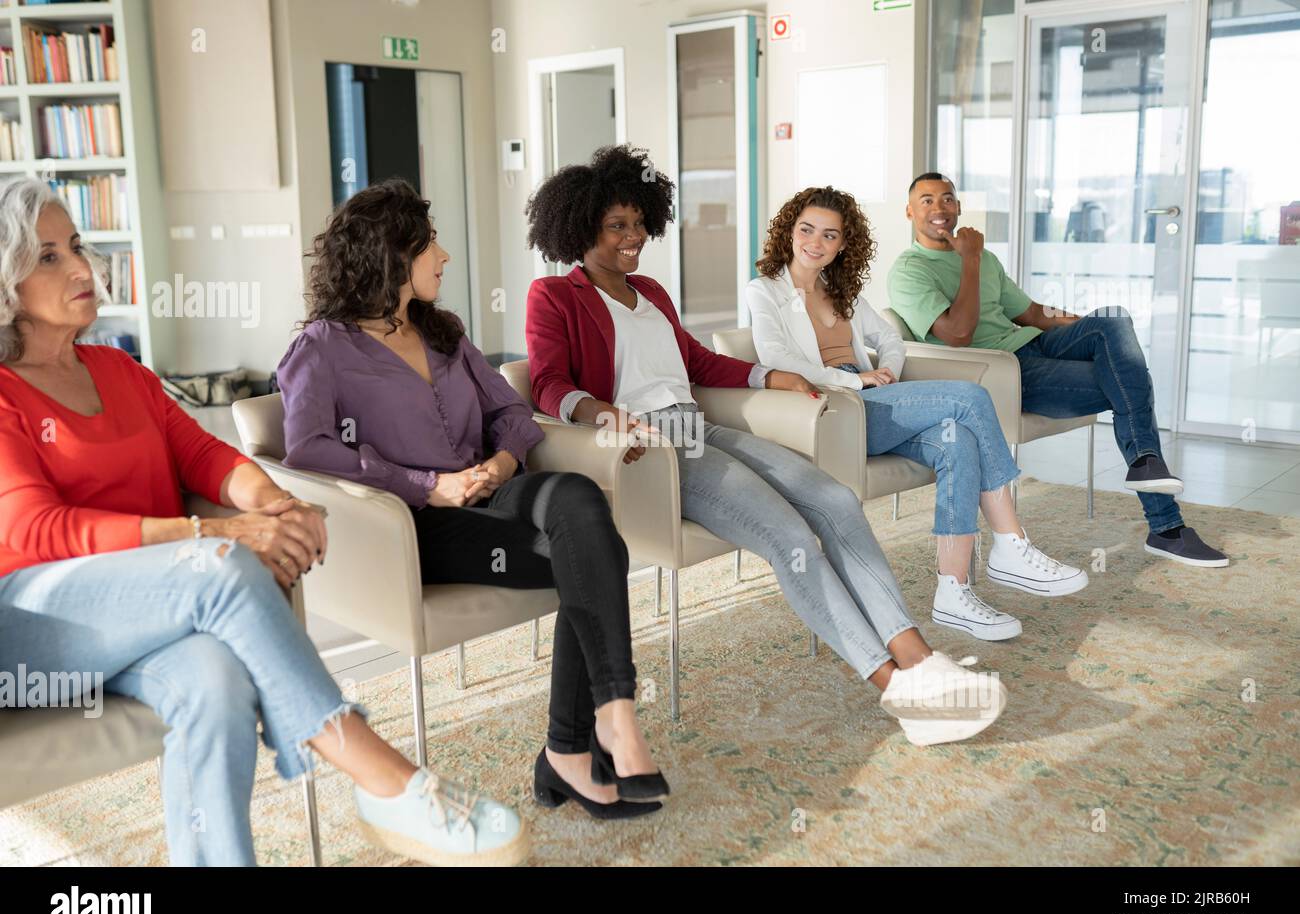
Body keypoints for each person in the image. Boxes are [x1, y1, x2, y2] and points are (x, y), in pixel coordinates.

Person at [0, 177, 528, 866]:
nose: (79, 267)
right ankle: (385, 780)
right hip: (36, 622)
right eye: (47, 256)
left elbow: (206, 454)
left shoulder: (119, 371)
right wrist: (216, 535)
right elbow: (36, 530)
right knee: (218, 567)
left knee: (216, 680)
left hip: (144, 607)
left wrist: (278, 506)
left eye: (75, 245)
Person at [525, 145, 1007, 748]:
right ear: (579, 227)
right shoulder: (554, 295)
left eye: (640, 223)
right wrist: (603, 413)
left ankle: (919, 658)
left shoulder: (649, 290)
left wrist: (769, 376)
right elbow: (547, 384)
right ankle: (896, 689)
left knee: (832, 499)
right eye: (617, 226)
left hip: (697, 425)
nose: (635, 237)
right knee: (792, 537)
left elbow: (696, 361)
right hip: (654, 451)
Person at [277, 178, 667, 817]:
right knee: (599, 559)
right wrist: (429, 485)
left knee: (576, 500)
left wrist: (501, 461)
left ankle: (613, 719)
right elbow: (309, 451)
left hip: (492, 492)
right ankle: (571, 749)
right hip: (415, 527)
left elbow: (513, 411)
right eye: (431, 244)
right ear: (394, 255)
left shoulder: (444, 332)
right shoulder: (322, 347)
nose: (444, 256)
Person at [748, 186, 1086, 642]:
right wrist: (854, 380)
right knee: (969, 398)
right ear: (789, 231)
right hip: (832, 409)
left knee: (957, 439)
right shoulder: (764, 291)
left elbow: (889, 338)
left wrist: (886, 369)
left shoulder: (840, 290)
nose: (815, 242)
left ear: (843, 243)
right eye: (806, 229)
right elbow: (776, 358)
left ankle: (953, 591)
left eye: (829, 235)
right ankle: (1011, 543)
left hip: (872, 400)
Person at [887, 173, 1228, 568]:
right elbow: (959, 334)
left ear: (959, 207)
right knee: (1129, 384)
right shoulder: (910, 270)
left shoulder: (986, 259)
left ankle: (1146, 467)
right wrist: (970, 260)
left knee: (1115, 322)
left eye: (947, 199)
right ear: (910, 211)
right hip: (999, 374)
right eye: (926, 201)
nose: (939, 209)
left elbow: (1031, 313)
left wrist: (1098, 333)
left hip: (1032, 344)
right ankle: (1166, 525)